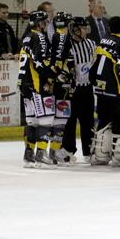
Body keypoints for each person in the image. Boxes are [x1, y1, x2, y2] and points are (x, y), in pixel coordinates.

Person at [89, 16, 120, 167]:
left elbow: (93, 66)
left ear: (108, 28)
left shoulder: (102, 42)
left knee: (104, 121)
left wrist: (96, 84)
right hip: (118, 92)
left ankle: (101, 155)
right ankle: (119, 157)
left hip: (101, 91)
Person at [18, 10, 54, 168]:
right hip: (37, 85)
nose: (45, 24)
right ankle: (41, 154)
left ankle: (28, 155)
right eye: (44, 21)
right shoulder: (39, 37)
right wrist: (50, 77)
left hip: (25, 85)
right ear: (38, 23)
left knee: (32, 121)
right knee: (46, 119)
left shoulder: (26, 37)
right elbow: (39, 62)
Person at [61, 16, 96, 163]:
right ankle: (68, 150)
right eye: (83, 28)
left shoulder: (91, 44)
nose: (86, 30)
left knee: (88, 120)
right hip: (71, 90)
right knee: (70, 121)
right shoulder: (66, 45)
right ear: (75, 30)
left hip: (87, 88)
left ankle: (89, 151)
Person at [47, 11, 75, 164]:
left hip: (61, 82)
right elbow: (57, 61)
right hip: (61, 83)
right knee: (61, 118)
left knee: (58, 118)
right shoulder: (62, 37)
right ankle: (54, 151)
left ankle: (53, 150)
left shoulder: (57, 36)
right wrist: (55, 79)